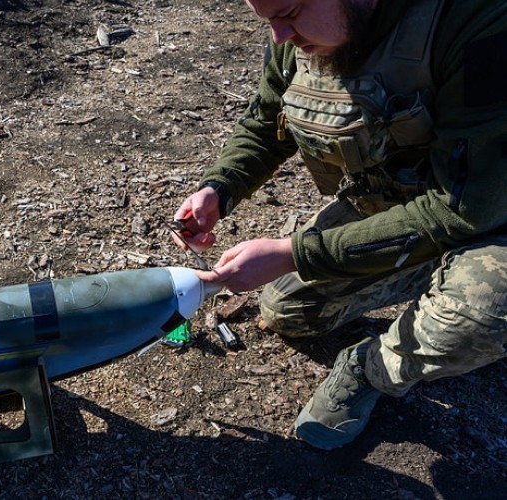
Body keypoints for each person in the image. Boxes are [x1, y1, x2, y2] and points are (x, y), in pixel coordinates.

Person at [174, 0, 507, 450]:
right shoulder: (303, 33)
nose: (279, 36)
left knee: (480, 314)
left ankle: (373, 368)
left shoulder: (478, 25)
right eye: (268, 20)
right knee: (288, 311)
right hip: (408, 202)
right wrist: (219, 188)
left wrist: (295, 253)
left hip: (489, 209)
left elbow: (464, 209)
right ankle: (429, 275)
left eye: (288, 14)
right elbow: (265, 121)